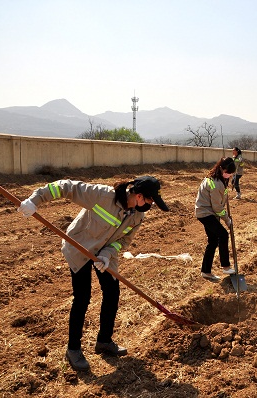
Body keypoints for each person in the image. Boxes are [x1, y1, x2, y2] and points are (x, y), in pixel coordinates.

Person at [17, 176, 169, 372]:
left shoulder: (137, 216)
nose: (150, 205)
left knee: (112, 293)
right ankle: (73, 349)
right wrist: (35, 199)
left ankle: (104, 341)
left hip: (104, 254)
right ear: (139, 196)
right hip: (80, 247)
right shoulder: (103, 195)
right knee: (82, 297)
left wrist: (107, 254)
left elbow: (124, 241)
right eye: (150, 201)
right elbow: (66, 187)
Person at [195, 157, 237, 281]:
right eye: (227, 172)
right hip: (206, 213)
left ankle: (206, 271)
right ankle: (226, 266)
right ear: (221, 168)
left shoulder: (216, 178)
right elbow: (217, 207)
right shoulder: (216, 183)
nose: (228, 175)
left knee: (213, 241)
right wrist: (227, 220)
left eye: (230, 173)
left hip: (208, 212)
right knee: (223, 235)